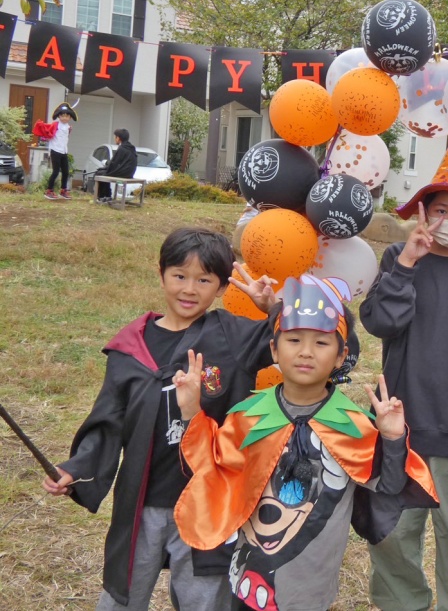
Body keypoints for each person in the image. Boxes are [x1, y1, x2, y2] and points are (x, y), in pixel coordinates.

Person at [42, 227, 279, 610]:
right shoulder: (130, 349)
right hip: (144, 503)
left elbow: (311, 342)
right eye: (179, 276)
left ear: (221, 287)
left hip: (209, 503)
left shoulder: (232, 337)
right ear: (161, 274)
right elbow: (108, 421)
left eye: (204, 280)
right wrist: (77, 468)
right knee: (122, 595)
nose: (189, 289)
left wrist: (274, 309)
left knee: (204, 599)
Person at [173, 275, 438, 611]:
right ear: (274, 349)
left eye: (322, 343)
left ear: (341, 356)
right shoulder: (248, 416)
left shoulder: (352, 425)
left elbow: (390, 484)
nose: (306, 352)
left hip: (312, 587)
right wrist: (191, 412)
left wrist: (392, 437)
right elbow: (209, 467)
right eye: (294, 339)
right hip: (247, 582)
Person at [361, 137, 448, 611]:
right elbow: (380, 322)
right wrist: (406, 263)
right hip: (400, 430)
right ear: (423, 212)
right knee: (393, 537)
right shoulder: (397, 259)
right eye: (441, 209)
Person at [33, 102, 76, 200]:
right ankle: (49, 190)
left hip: (64, 151)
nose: (64, 118)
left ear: (70, 117)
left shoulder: (68, 127)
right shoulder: (55, 125)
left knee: (66, 172)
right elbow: (47, 130)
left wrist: (69, 130)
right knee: (56, 171)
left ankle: (63, 190)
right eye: (62, 116)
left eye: (67, 116)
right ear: (59, 116)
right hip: (55, 150)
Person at [96, 128, 138, 201]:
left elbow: (114, 163)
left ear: (118, 138)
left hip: (123, 173)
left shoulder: (122, 148)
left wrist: (105, 167)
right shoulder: (131, 147)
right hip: (130, 173)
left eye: (115, 137)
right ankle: (107, 195)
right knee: (104, 172)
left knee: (100, 173)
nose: (114, 139)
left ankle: (103, 196)